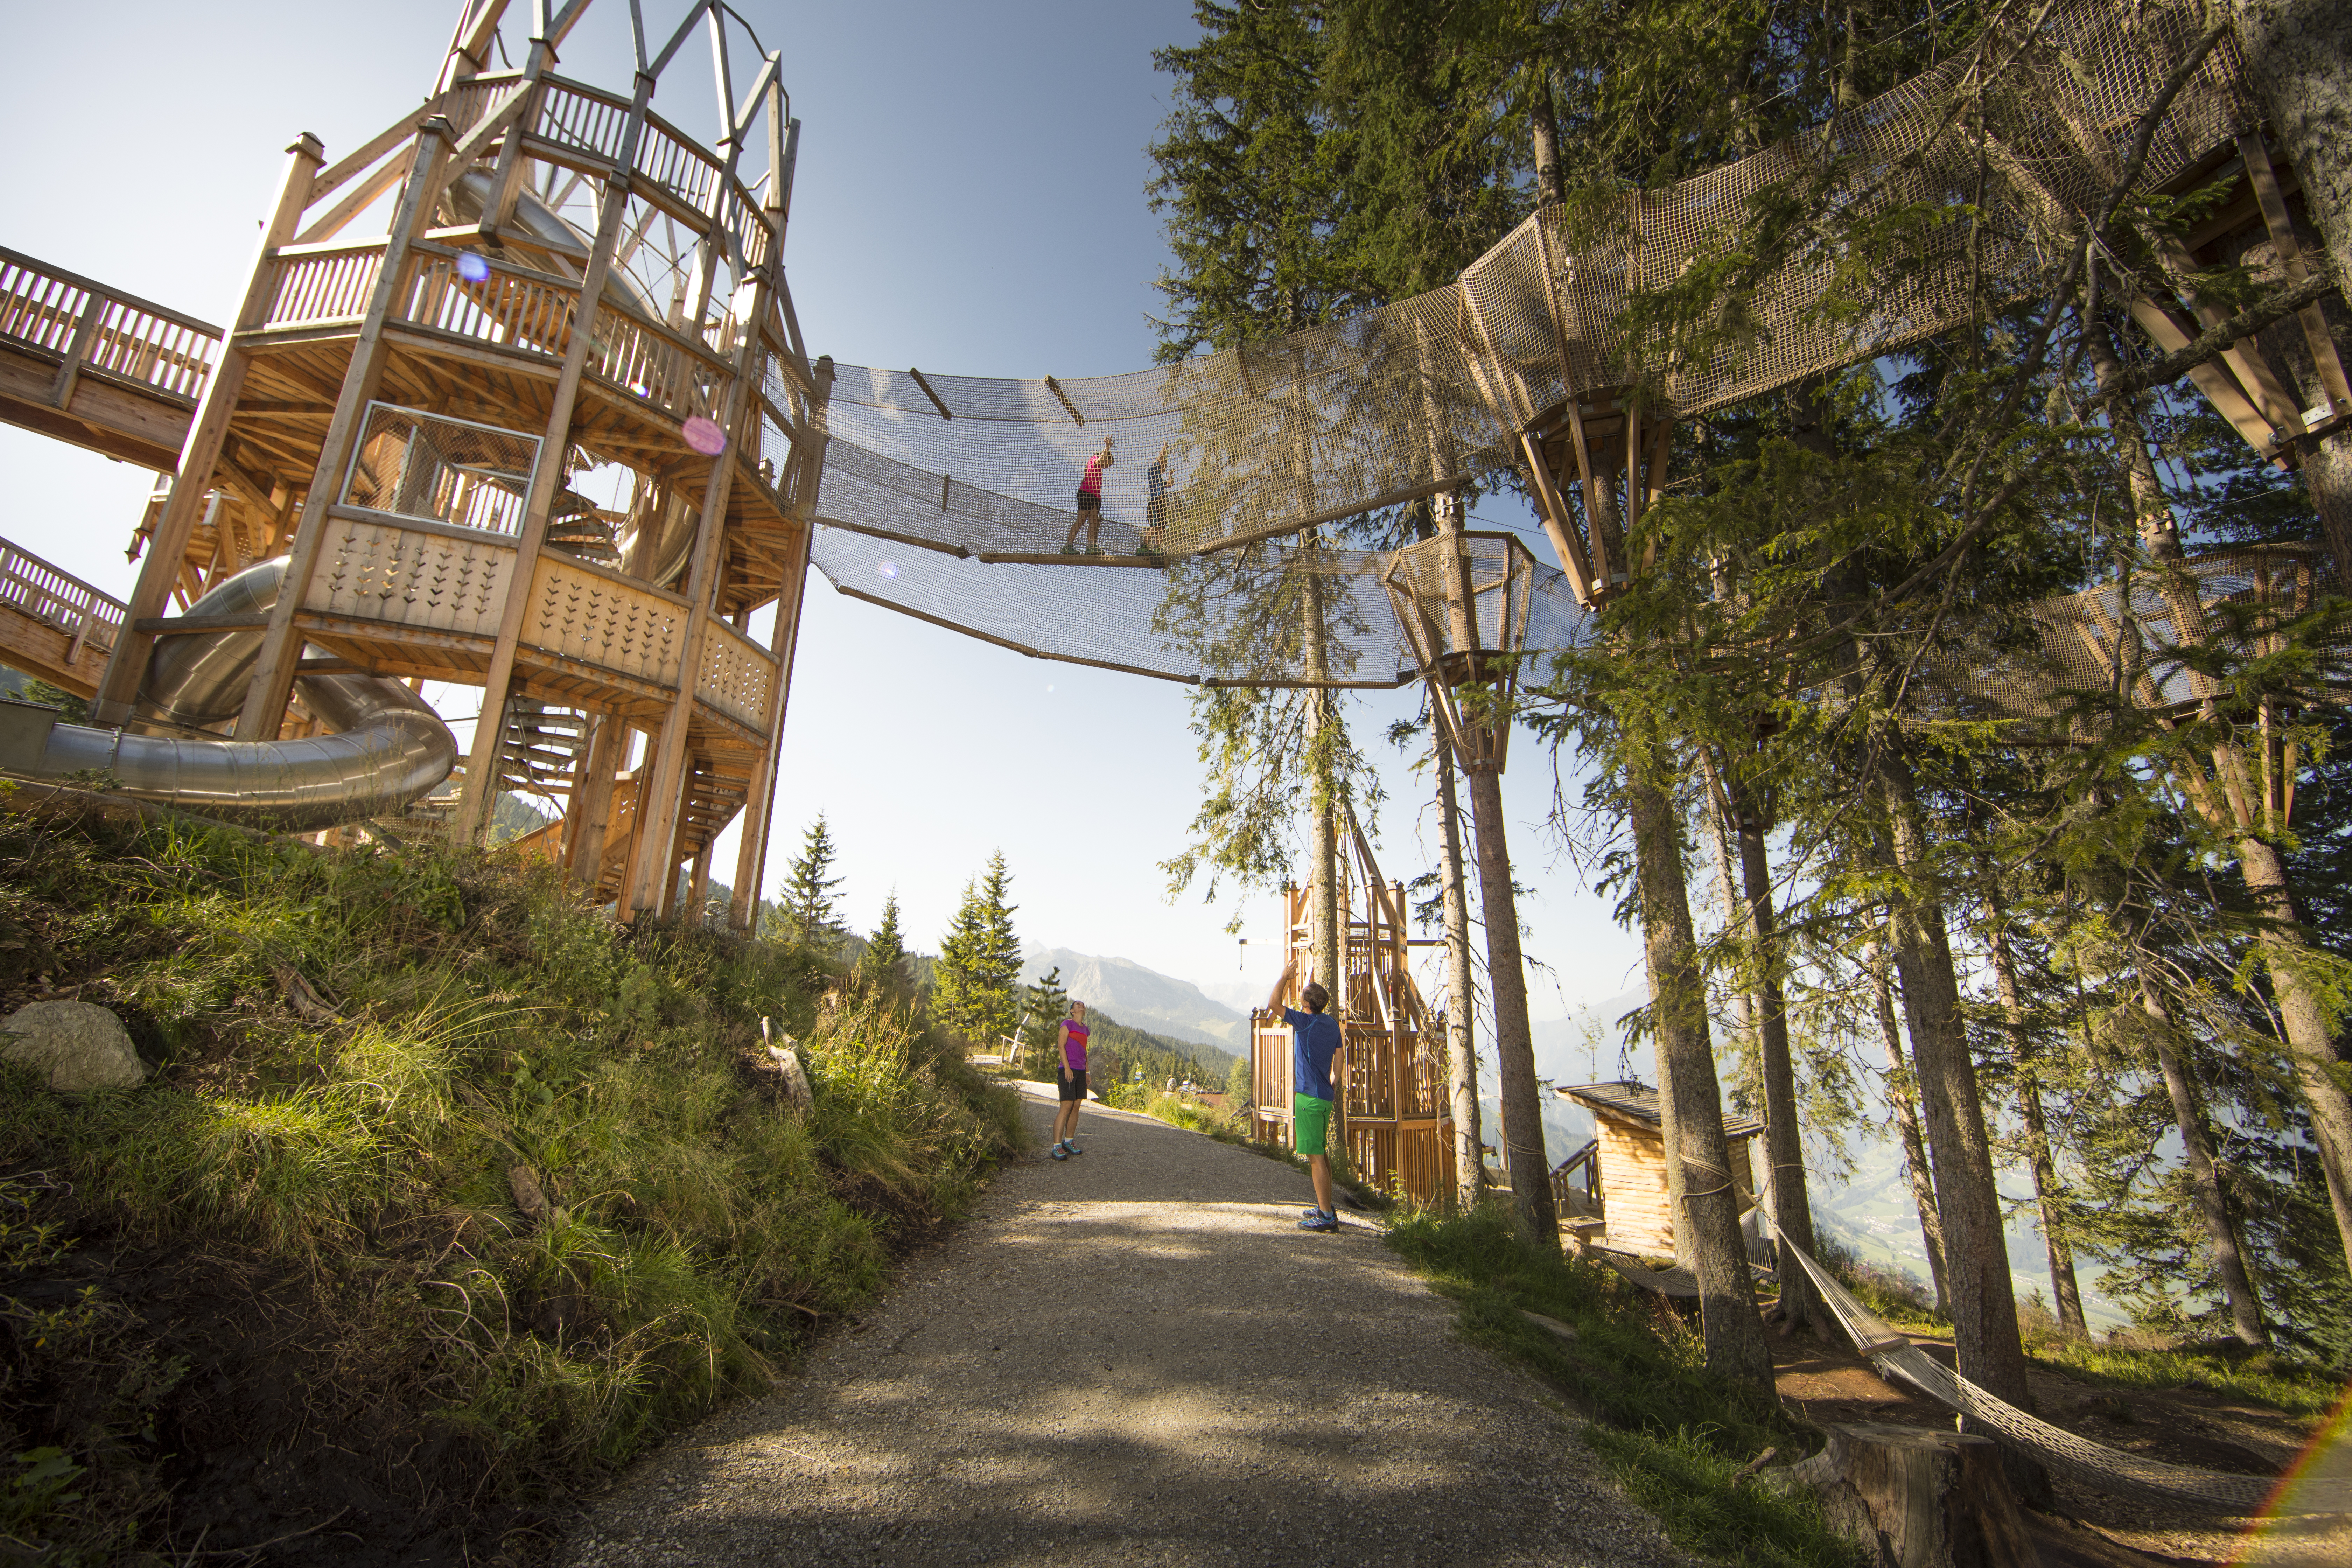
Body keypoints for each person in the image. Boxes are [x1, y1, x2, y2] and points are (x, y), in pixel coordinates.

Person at [1273, 978, 1343, 1232]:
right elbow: (1340, 1057)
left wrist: (1284, 977)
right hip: (1325, 1097)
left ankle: (1326, 1216)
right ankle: (1325, 1205)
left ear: (1306, 1003)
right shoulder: (1332, 1024)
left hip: (1308, 1098)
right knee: (1322, 1153)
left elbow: (1273, 1003)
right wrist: (1334, 1080)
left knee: (1315, 1158)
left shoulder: (1305, 1023)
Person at [1051, 1000, 1091, 1159]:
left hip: (1081, 1071)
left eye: (1083, 1005)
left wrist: (1088, 1071)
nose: (1081, 1006)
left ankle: (1069, 1141)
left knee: (1076, 1106)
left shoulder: (1086, 1029)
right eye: (1078, 1005)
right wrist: (1067, 1068)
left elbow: (1084, 1051)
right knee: (1066, 1106)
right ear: (1072, 1011)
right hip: (1068, 1069)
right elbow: (1061, 1046)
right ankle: (1056, 1146)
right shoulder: (1067, 1024)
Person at [1061, 436, 1115, 554]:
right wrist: (1107, 448)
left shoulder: (1097, 466)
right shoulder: (1095, 460)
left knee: (1094, 522)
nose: (1107, 467)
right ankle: (1068, 546)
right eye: (1109, 464)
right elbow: (1101, 460)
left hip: (1095, 496)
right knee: (1081, 520)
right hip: (1087, 493)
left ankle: (1091, 546)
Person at [1141, 441, 1173, 555]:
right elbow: (1160, 458)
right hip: (1155, 503)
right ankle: (1143, 547)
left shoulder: (1159, 480)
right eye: (1164, 464)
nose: (1165, 466)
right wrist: (1165, 448)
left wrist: (1171, 474)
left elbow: (1170, 484)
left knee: (1161, 528)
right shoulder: (1153, 472)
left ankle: (1158, 549)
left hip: (1161, 504)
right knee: (1155, 527)